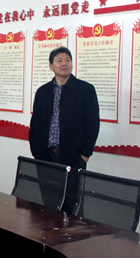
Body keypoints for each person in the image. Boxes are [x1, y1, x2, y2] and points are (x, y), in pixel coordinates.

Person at [28, 46, 100, 214]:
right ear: (51, 66)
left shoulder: (85, 90)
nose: (64, 64)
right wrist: (36, 152)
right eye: (59, 60)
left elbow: (92, 124)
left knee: (72, 205)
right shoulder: (43, 91)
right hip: (45, 157)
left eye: (67, 60)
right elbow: (35, 124)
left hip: (73, 158)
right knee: (49, 203)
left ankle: (71, 232)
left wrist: (85, 155)